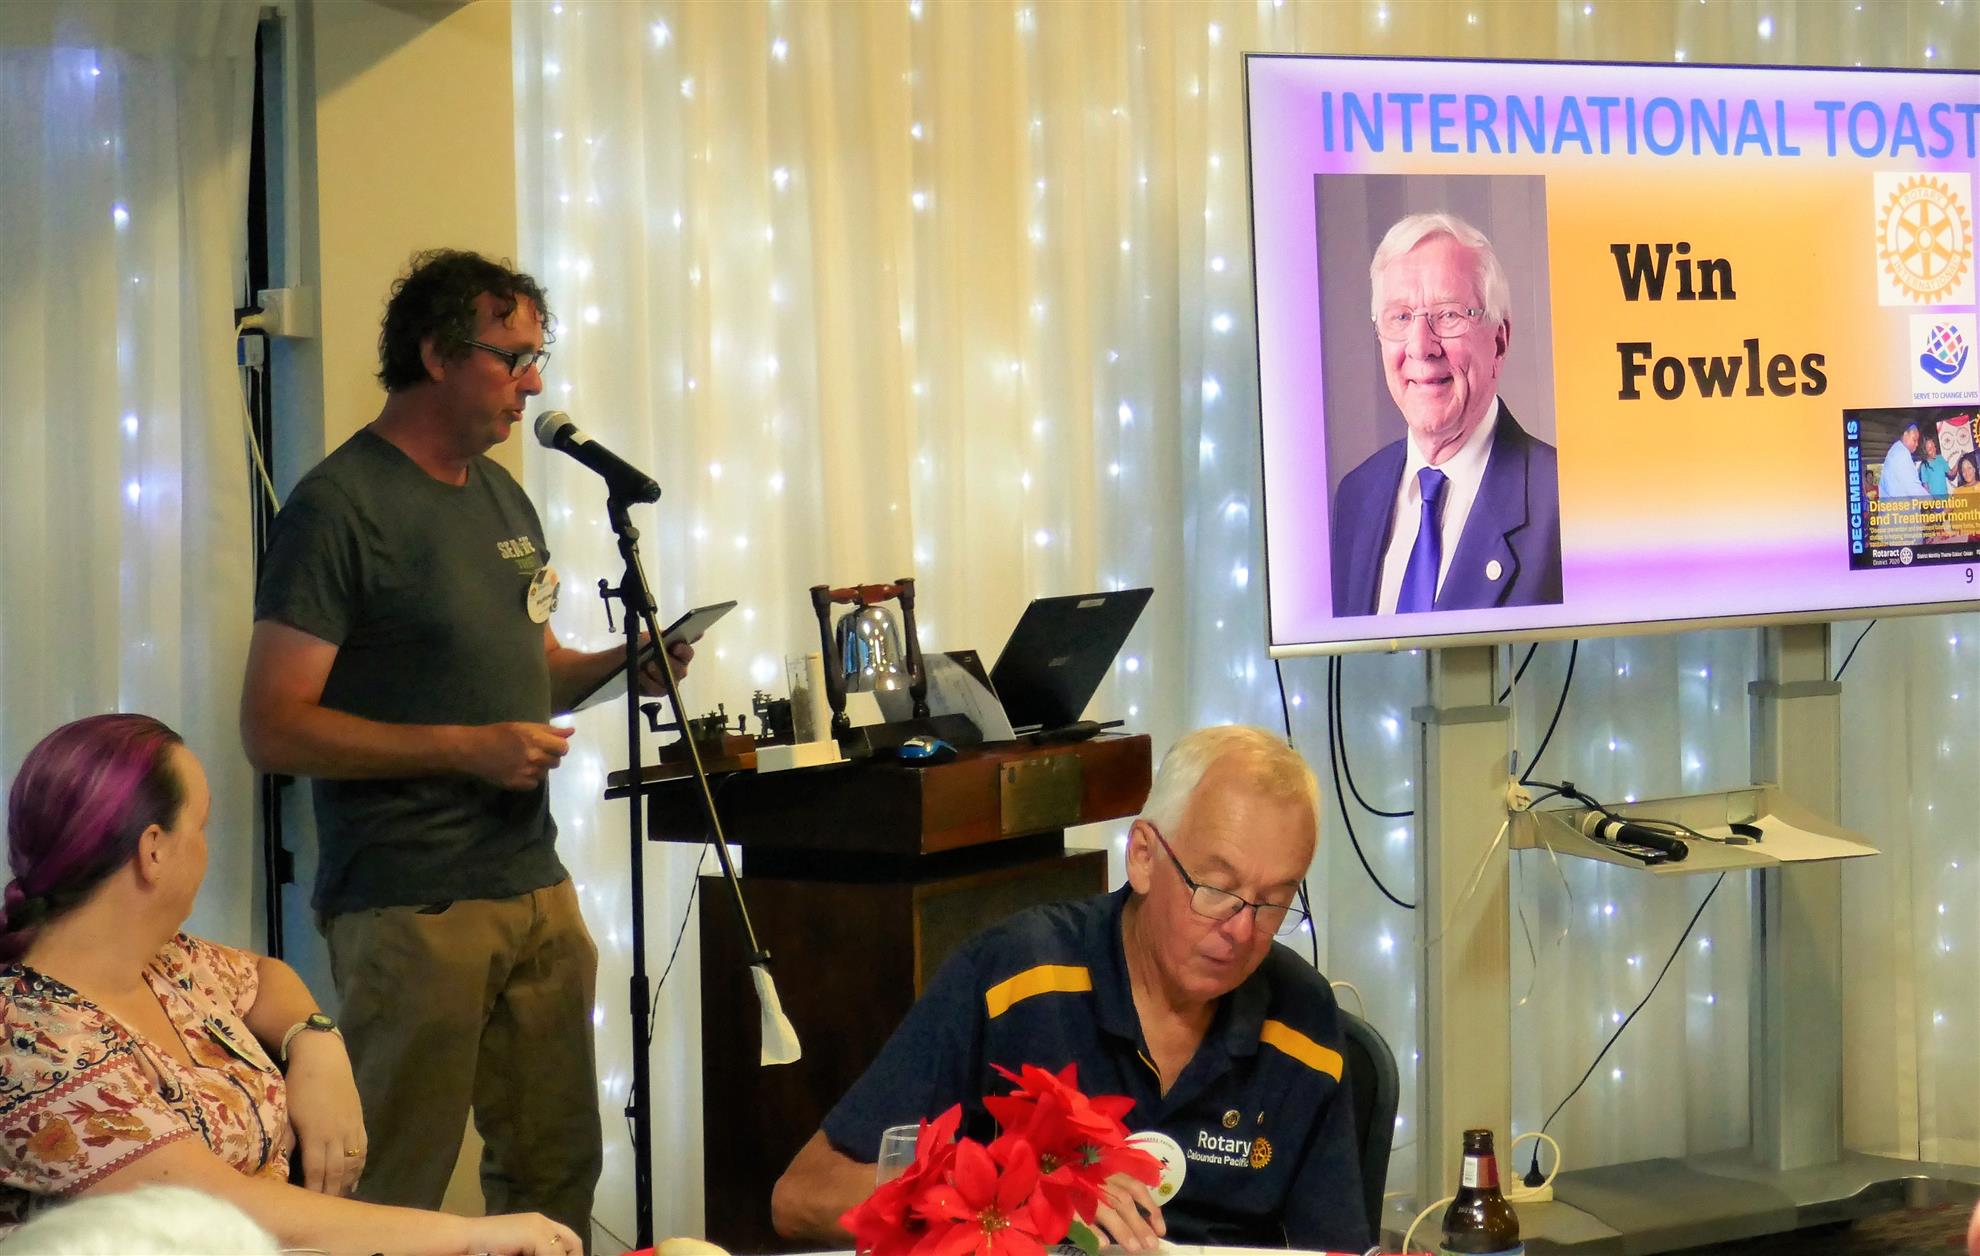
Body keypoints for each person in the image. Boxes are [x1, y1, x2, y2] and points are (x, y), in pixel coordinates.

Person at [239, 250, 688, 1247]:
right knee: (393, 1181)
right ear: (438, 355)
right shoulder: (340, 507)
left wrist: (626, 665)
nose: (532, 382)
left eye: (538, 357)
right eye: (512, 357)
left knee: (555, 1164)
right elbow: (273, 725)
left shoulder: (500, 495)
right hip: (412, 900)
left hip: (533, 884)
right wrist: (465, 750)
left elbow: (537, 668)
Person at [769, 726, 1367, 1253]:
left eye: (1272, 903)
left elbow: (1334, 1247)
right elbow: (800, 1199)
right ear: (1143, 857)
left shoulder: (1301, 1014)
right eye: (1216, 889)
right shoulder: (1013, 975)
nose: (1241, 930)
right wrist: (1011, 1195)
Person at [0, 714, 577, 1254]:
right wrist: (472, 1235)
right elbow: (220, 1209)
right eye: (200, 828)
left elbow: (266, 976)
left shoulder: (168, 963)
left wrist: (317, 1044)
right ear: (153, 850)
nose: (206, 849)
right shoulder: (32, 1041)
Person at [1330, 211, 1563, 617]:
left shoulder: (1562, 503)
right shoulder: (1356, 495)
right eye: (1401, 317)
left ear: (1499, 341)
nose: (1421, 347)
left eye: (1449, 314)